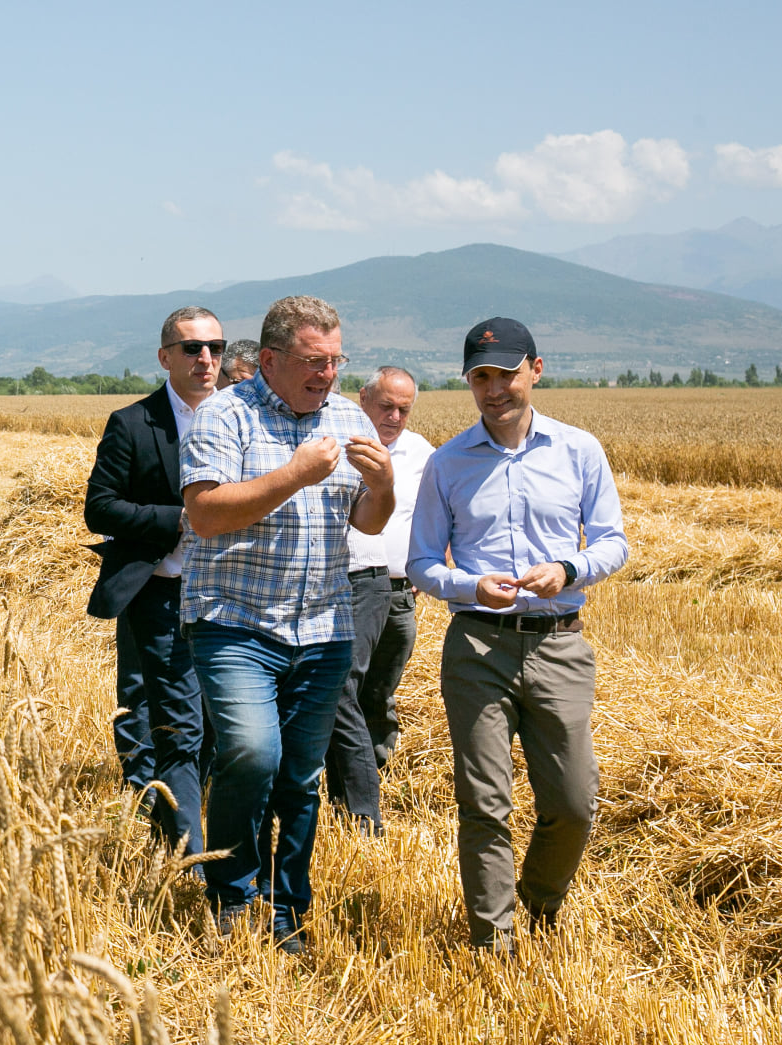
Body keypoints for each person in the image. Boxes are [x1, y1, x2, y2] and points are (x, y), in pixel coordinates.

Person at [406, 318, 628, 955]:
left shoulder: (579, 450)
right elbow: (422, 562)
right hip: (477, 646)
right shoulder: (447, 463)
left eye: (506, 373)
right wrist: (470, 586)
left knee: (575, 802)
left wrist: (568, 570)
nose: (494, 388)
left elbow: (612, 542)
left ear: (535, 369)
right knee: (484, 801)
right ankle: (493, 943)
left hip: (560, 644)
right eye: (481, 377)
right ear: (469, 383)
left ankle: (538, 902)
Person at [181, 296, 394, 953]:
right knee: (252, 754)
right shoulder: (225, 415)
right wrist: (294, 475)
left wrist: (384, 487)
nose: (327, 374)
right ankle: (232, 893)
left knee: (301, 779)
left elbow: (367, 522)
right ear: (270, 361)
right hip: (235, 622)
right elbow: (206, 514)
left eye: (335, 361)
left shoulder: (348, 418)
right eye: (312, 361)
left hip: (323, 625)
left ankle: (286, 911)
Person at [83, 306, 224, 861]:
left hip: (233, 596)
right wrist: (180, 520)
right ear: (166, 357)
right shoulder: (133, 423)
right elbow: (100, 508)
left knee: (220, 729)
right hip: (165, 594)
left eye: (215, 347)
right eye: (192, 348)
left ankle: (174, 824)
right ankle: (188, 859)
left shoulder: (243, 420)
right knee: (180, 728)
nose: (206, 358)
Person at [323, 367, 434, 836]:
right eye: (386, 406)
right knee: (343, 687)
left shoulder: (422, 453)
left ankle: (370, 777)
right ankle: (355, 801)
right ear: (363, 398)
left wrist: (428, 563)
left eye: (403, 409)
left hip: (399, 592)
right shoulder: (338, 442)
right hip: (346, 583)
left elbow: (437, 515)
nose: (394, 417)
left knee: (377, 693)